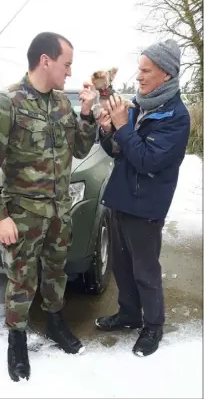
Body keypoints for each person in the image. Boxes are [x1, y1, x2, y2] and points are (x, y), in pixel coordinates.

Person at [0, 32, 97, 381]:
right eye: (66, 63)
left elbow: (81, 148)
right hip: (23, 214)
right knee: (21, 280)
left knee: (57, 273)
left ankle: (56, 323)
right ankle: (16, 340)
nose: (70, 72)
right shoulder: (6, 103)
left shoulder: (60, 104)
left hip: (59, 211)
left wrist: (86, 112)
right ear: (46, 60)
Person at [95, 39, 190, 356]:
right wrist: (109, 131)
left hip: (146, 204)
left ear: (166, 74)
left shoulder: (176, 116)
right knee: (121, 267)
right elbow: (118, 153)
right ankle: (128, 314)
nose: (139, 76)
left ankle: (153, 327)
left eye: (146, 70)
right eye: (139, 69)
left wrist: (122, 127)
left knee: (145, 271)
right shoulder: (139, 105)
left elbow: (148, 160)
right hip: (122, 197)